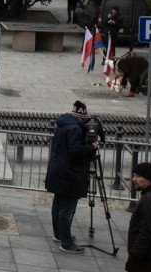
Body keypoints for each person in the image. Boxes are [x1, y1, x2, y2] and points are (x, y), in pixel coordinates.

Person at [45, 100, 99, 254]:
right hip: (70, 174)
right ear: (82, 118)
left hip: (58, 171)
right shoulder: (75, 129)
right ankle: (66, 242)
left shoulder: (63, 125)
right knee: (67, 209)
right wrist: (92, 147)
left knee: (59, 204)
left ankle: (59, 235)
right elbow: (76, 151)